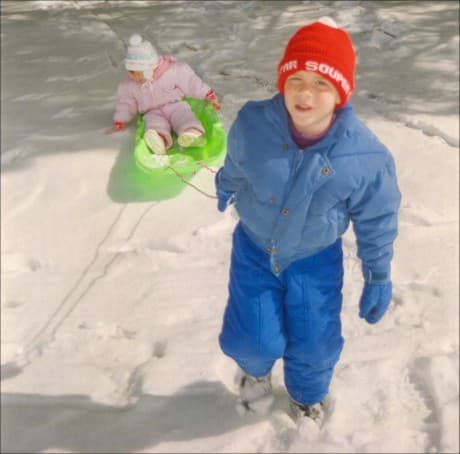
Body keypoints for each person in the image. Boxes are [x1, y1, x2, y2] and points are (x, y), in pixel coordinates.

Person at [215, 17, 401, 422]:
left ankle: (306, 395)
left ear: (341, 93)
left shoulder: (364, 157)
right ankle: (254, 372)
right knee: (253, 338)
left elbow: (377, 220)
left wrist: (379, 275)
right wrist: (226, 183)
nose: (305, 93)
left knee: (314, 343)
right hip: (254, 250)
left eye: (321, 83)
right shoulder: (253, 122)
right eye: (296, 78)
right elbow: (238, 160)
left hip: (314, 260)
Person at [106, 34, 220, 154]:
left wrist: (207, 94)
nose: (134, 76)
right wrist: (121, 119)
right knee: (153, 124)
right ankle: (158, 139)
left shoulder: (172, 72)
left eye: (138, 73)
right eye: (131, 72)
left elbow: (191, 82)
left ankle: (192, 134)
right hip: (152, 112)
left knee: (184, 117)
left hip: (175, 105)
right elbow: (126, 103)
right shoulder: (130, 86)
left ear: (149, 69)